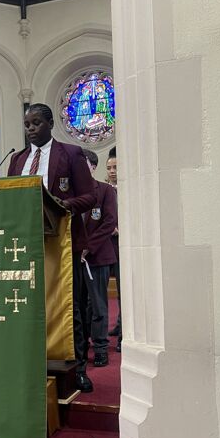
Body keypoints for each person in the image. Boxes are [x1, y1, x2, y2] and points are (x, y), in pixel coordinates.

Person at [7, 103, 96, 392]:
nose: (31, 129)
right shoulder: (18, 160)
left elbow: (90, 197)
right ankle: (32, 361)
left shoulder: (70, 154)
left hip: (64, 242)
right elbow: (10, 197)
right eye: (27, 124)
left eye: (37, 123)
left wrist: (61, 205)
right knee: (31, 306)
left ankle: (78, 368)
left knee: (71, 307)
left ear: (50, 124)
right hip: (26, 244)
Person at [81, 149, 117, 367]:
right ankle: (81, 345)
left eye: (83, 164)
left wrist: (88, 247)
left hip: (97, 256)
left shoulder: (104, 190)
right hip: (76, 258)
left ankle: (101, 347)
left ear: (93, 167)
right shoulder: (70, 192)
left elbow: (109, 222)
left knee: (98, 306)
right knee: (80, 306)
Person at [106, 147, 122, 352]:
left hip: (122, 245)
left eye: (115, 167)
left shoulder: (129, 189)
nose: (112, 171)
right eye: (109, 168)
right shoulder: (104, 190)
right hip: (106, 244)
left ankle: (123, 329)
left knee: (123, 290)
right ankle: (116, 325)